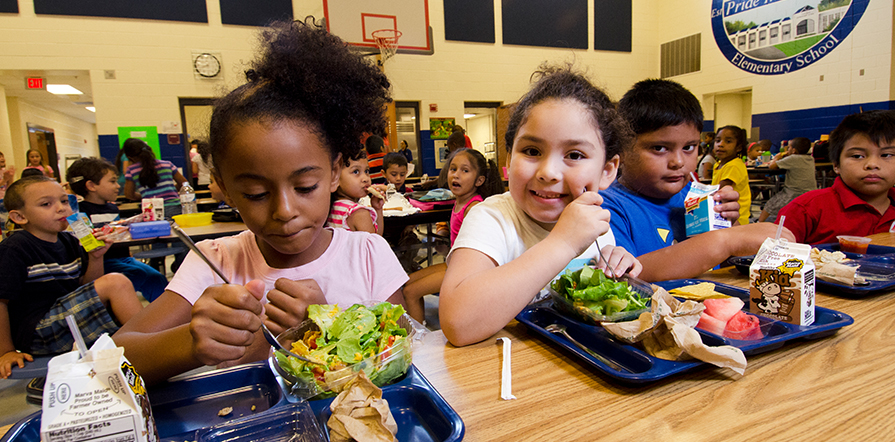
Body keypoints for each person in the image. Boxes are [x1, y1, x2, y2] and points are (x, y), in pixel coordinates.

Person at [112, 19, 405, 384]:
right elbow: (112, 360)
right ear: (225, 189)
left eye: (305, 187)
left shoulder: (368, 255)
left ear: (333, 173)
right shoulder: (214, 262)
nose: (284, 211)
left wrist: (327, 327)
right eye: (256, 194)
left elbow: (401, 355)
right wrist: (191, 343)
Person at [440, 65, 641, 346]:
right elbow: (457, 323)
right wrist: (563, 243)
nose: (548, 172)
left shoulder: (595, 224)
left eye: (574, 154)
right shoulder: (491, 217)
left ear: (607, 170)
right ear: (509, 159)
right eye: (532, 151)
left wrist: (617, 269)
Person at [603, 78, 793, 282]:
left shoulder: (697, 196)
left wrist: (732, 224)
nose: (678, 162)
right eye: (659, 148)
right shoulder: (606, 208)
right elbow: (626, 278)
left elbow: (727, 265)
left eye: (689, 147)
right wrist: (727, 240)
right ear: (620, 150)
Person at [0, 175, 143, 378]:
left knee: (116, 286)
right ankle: (145, 345)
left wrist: (95, 258)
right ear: (20, 217)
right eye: (46, 204)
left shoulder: (69, 240)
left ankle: (140, 346)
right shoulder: (15, 248)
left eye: (64, 201)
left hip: (67, 321)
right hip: (38, 332)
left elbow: (85, 289)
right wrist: (5, 351)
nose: (61, 208)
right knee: (116, 281)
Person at [402, 148, 503, 322]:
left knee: (410, 292)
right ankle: (418, 329)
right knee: (407, 282)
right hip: (453, 264)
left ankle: (418, 343)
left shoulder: (474, 208)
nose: (456, 175)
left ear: (479, 180)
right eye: (453, 169)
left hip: (465, 272)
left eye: (465, 170)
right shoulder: (458, 202)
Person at [777, 110, 895, 244]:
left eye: (886, 155)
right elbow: (770, 258)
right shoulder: (806, 209)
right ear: (836, 164)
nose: (872, 164)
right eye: (857, 156)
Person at [66, 157, 168, 302]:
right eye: (112, 181)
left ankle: (167, 318)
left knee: (157, 278)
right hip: (101, 263)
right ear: (91, 186)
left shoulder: (112, 208)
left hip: (124, 259)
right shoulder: (79, 213)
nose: (118, 186)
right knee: (141, 276)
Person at [121, 138, 188, 219]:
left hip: (151, 210)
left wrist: (144, 196)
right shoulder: (167, 164)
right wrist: (170, 190)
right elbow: (184, 184)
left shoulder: (132, 170)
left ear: (130, 157)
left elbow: (129, 194)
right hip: (175, 207)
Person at [757, 137, 817, 223]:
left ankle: (760, 222)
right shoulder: (810, 159)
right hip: (811, 193)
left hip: (793, 192)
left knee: (771, 204)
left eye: (789, 147)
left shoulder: (793, 158)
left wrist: (777, 157)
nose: (787, 149)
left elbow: (772, 166)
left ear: (793, 151)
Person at [327, 151, 387, 234]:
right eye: (356, 171)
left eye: (366, 171)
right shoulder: (359, 213)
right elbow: (375, 244)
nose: (365, 178)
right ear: (335, 178)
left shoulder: (328, 209)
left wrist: (377, 209)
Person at [712, 125, 752, 225]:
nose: (720, 144)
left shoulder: (734, 165)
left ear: (738, 147)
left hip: (736, 219)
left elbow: (720, 191)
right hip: (724, 215)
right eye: (717, 141)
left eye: (728, 141)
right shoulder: (718, 164)